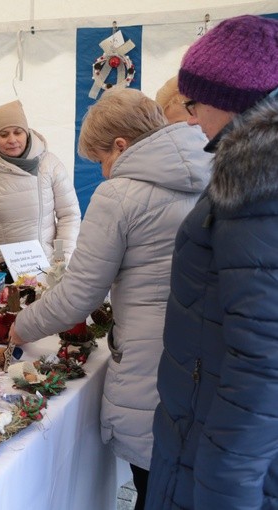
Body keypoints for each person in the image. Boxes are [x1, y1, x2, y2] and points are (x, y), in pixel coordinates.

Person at [9, 88, 211, 510]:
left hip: (148, 365)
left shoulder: (119, 195)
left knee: (152, 489)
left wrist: (20, 325)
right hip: (202, 361)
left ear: (121, 145)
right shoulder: (211, 173)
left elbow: (79, 294)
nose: (102, 173)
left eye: (102, 159)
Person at [146, 15, 278, 510]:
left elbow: (266, 362)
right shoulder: (246, 170)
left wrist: (226, 489)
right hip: (202, 434)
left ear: (229, 100)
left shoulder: (259, 184)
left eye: (194, 103)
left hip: (220, 464)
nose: (192, 117)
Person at [0, 100, 80, 275]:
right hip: (0, 271)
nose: (12, 140)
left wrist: (60, 257)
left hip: (47, 268)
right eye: (3, 134)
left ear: (27, 133)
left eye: (18, 132)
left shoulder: (50, 165)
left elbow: (68, 215)